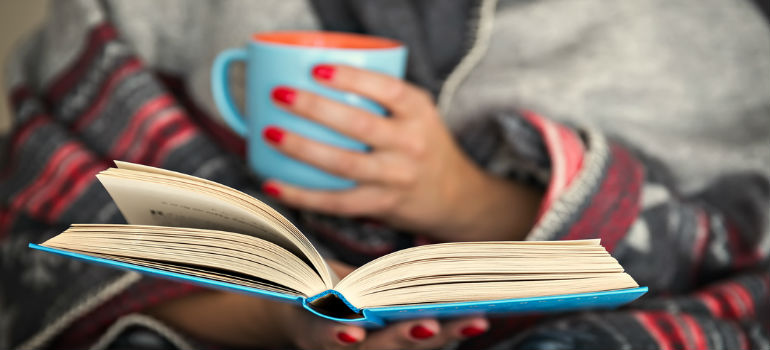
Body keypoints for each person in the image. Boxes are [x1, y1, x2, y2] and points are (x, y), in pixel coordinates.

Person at [2, 0, 769, 349]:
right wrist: (280, 319)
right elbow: (46, 235)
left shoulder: (706, 35)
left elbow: (745, 258)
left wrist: (468, 199)